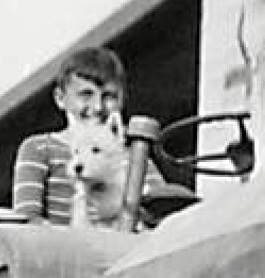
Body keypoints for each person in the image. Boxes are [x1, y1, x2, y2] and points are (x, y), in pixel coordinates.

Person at [12, 46, 161, 227]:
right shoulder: (39, 149)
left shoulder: (136, 157)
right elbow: (26, 220)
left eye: (109, 96)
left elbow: (161, 213)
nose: (98, 107)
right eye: (86, 94)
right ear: (60, 98)